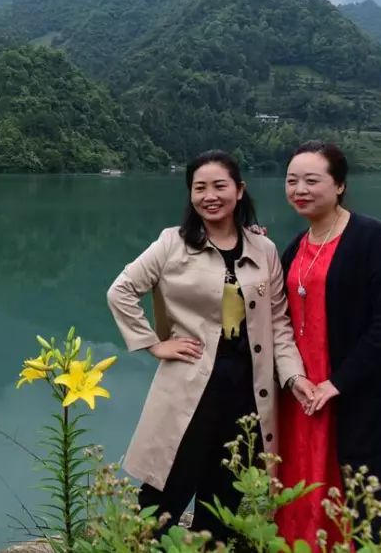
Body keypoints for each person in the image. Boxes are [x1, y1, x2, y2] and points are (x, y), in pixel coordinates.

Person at [107, 150, 314, 540]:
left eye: (220, 186)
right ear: (190, 194)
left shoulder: (263, 249)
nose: (210, 196)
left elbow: (279, 323)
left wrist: (293, 376)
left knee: (223, 499)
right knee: (164, 495)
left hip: (247, 391)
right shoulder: (172, 244)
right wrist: (153, 344)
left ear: (239, 190)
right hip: (191, 387)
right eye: (199, 188)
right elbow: (121, 292)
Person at [277, 141, 381, 544]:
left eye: (311, 180)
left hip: (353, 392)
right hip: (304, 393)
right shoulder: (295, 247)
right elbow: (279, 320)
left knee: (363, 494)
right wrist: (295, 378)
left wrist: (338, 383)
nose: (299, 189)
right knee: (302, 482)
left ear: (339, 185)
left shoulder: (372, 239)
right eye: (292, 181)